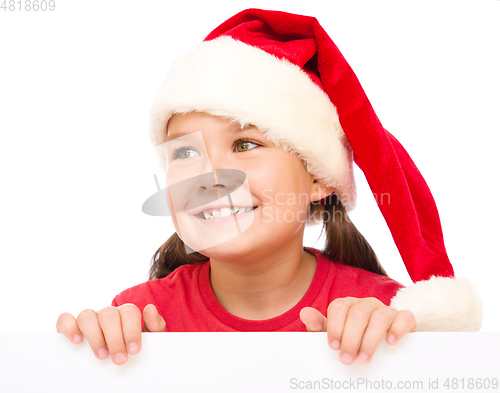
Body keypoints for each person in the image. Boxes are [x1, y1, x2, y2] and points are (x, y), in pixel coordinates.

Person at [56, 8, 482, 367]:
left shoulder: (384, 317)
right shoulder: (139, 322)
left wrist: (402, 351)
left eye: (245, 144)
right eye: (184, 154)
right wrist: (81, 359)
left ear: (318, 178)